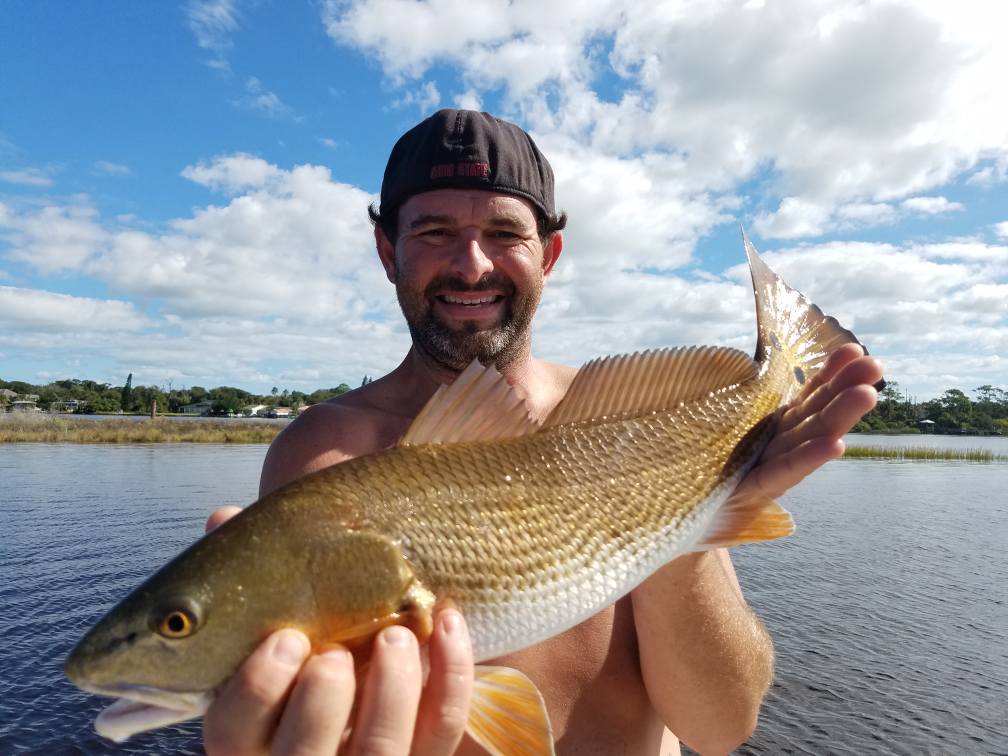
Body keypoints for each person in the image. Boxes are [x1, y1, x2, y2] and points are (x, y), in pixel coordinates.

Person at [202, 109, 882, 755]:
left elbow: (720, 727)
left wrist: (679, 521)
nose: (471, 265)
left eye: (504, 233)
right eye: (435, 233)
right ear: (388, 250)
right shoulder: (320, 451)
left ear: (548, 253)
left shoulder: (625, 427)